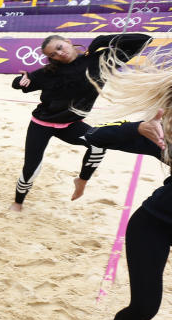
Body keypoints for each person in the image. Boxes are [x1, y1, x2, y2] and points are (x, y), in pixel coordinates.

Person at [79, 56, 171, 320]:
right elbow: (93, 135)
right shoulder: (162, 140)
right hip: (155, 225)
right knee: (146, 305)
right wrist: (137, 128)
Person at [9, 33, 151, 211]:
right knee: (31, 166)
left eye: (59, 48)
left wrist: (102, 40)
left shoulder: (101, 60)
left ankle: (82, 181)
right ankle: (18, 202)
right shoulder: (49, 73)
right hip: (41, 124)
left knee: (99, 144)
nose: (58, 54)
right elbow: (20, 83)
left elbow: (144, 40)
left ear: (68, 42)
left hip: (71, 125)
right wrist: (20, 81)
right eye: (52, 54)